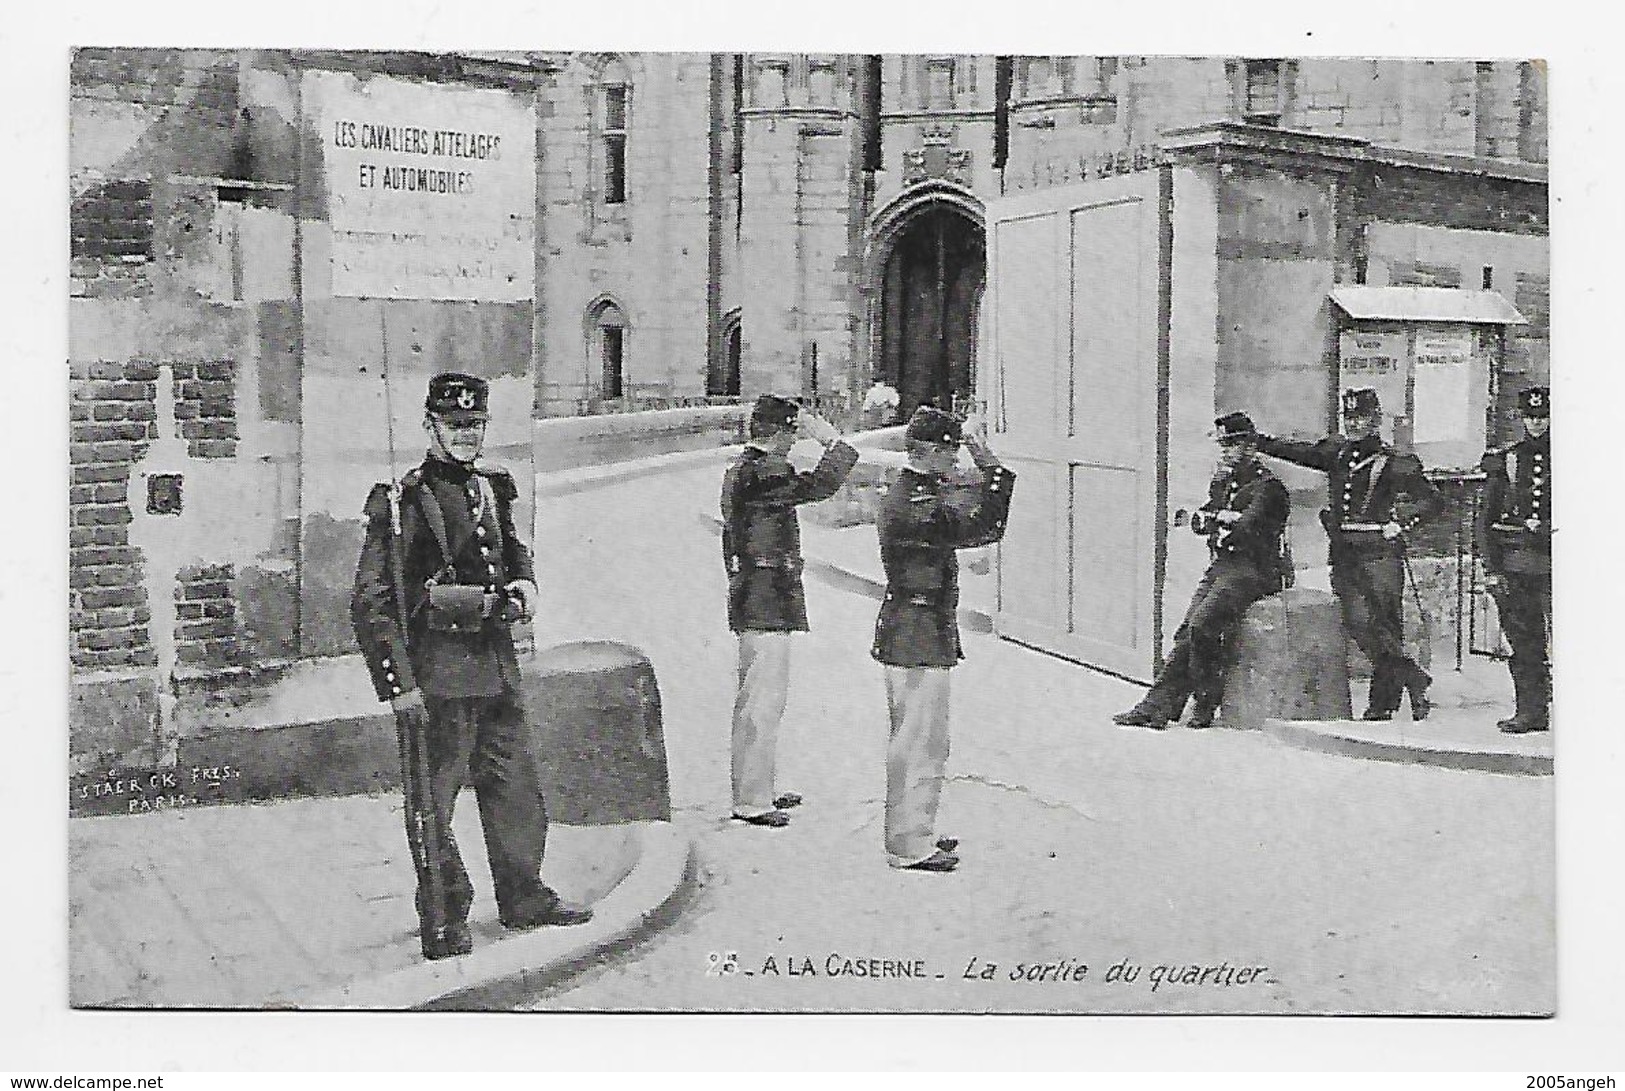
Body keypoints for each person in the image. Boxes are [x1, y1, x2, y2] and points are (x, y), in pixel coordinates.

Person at [352, 372, 591, 961]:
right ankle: (443, 917)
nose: (466, 435)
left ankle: (522, 895)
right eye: (454, 425)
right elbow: (374, 600)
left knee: (515, 789)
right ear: (429, 426)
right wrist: (398, 685)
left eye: (475, 425)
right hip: (438, 678)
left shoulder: (491, 489)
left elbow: (510, 551)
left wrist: (525, 584)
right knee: (433, 804)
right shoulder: (402, 502)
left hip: (495, 670)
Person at [872, 406, 1015, 873]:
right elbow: (984, 526)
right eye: (950, 450)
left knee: (922, 736)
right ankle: (909, 844)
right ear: (929, 451)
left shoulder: (916, 489)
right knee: (919, 739)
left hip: (915, 625)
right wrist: (987, 460)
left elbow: (958, 495)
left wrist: (973, 457)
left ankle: (917, 828)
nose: (956, 460)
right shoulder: (917, 504)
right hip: (917, 630)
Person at [1255, 387, 1443, 721]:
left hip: (1380, 555)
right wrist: (1261, 442)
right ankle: (1413, 676)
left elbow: (1432, 502)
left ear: (1376, 419)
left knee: (1385, 625)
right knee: (1359, 624)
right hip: (1344, 553)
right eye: (1350, 418)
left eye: (1362, 418)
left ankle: (1382, 704)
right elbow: (1300, 452)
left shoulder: (1395, 462)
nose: (1355, 424)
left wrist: (1401, 524)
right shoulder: (1337, 453)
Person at [721, 395, 859, 827]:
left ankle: (756, 787)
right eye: (793, 432)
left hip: (755, 590)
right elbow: (820, 486)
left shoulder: (745, 469)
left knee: (758, 696)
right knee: (763, 698)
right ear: (780, 433)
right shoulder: (766, 472)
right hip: (766, 594)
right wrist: (831, 440)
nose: (795, 440)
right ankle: (751, 800)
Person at [1114, 412, 1291, 730]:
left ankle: (1205, 702)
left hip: (1256, 570)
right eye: (1223, 445)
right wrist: (1216, 519)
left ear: (1251, 446)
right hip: (1225, 565)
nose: (1226, 451)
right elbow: (1209, 519)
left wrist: (1214, 520)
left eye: (1233, 445)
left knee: (1202, 626)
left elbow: (1245, 529)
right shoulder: (1224, 482)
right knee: (1187, 632)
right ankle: (1156, 708)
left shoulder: (1269, 488)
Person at [1481, 385, 1552, 733]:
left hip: (1561, 566)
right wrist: (1492, 569)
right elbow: (1486, 520)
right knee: (1524, 643)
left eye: (1543, 417)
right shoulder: (1508, 460)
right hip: (1517, 566)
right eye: (1531, 417)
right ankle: (1532, 712)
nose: (1537, 424)